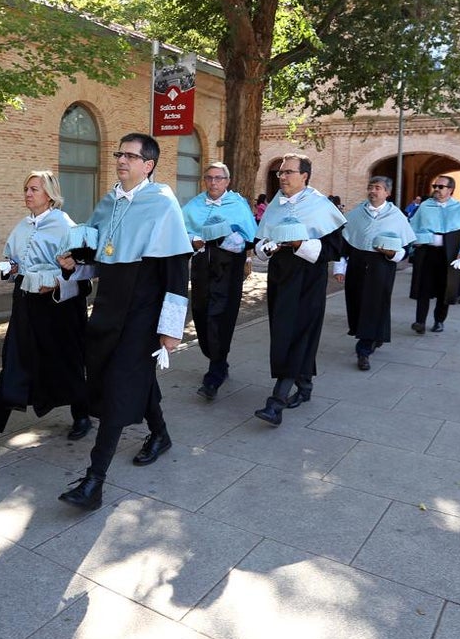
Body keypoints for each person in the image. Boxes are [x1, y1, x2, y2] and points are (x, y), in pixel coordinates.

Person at [55, 134, 191, 510]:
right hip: (108, 307)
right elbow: (101, 255)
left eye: (130, 156)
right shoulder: (109, 201)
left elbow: (177, 272)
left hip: (143, 312)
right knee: (131, 378)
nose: (121, 160)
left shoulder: (163, 204)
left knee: (118, 384)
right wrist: (76, 262)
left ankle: (94, 481)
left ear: (148, 165)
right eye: (119, 154)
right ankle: (160, 435)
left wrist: (171, 329)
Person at [0, 170, 93, 452]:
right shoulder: (22, 226)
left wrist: (56, 281)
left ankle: (82, 416)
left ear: (50, 195)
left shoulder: (65, 226)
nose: (28, 194)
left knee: (66, 361)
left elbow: (84, 272)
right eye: (26, 189)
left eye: (34, 189)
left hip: (58, 309)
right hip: (26, 305)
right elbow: (16, 260)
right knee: (14, 362)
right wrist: (13, 268)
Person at [251, 153, 346, 425]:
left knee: (298, 335)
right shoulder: (274, 206)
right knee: (284, 333)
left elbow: (335, 248)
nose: (282, 176)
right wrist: (266, 248)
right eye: (280, 172)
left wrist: (298, 245)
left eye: (288, 172)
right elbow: (259, 242)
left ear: (304, 175)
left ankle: (276, 402)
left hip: (308, 281)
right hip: (279, 280)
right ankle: (304, 386)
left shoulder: (320, 205)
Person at [181, 161, 257, 400]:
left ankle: (215, 371)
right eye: (209, 178)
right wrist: (193, 239)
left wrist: (227, 238)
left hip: (228, 271)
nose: (213, 182)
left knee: (221, 317)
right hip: (202, 271)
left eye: (218, 178)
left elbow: (250, 238)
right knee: (202, 315)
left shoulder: (238, 205)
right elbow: (179, 232)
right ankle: (217, 361)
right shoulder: (194, 205)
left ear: (227, 181)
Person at [333, 176, 415, 370]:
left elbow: (407, 247)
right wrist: (339, 267)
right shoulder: (355, 214)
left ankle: (364, 350)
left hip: (382, 267)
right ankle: (375, 336)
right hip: (357, 266)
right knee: (357, 303)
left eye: (377, 188)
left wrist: (392, 254)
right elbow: (344, 243)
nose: (372, 191)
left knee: (375, 305)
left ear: (387, 192)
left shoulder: (397, 216)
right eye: (370, 187)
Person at [408, 176, 460, 334]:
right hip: (427, 254)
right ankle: (420, 321)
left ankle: (439, 321)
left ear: (450, 190)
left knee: (444, 289)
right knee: (423, 288)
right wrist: (415, 241)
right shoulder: (425, 206)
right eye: (435, 186)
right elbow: (413, 227)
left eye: (441, 186)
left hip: (449, 257)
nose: (437, 189)